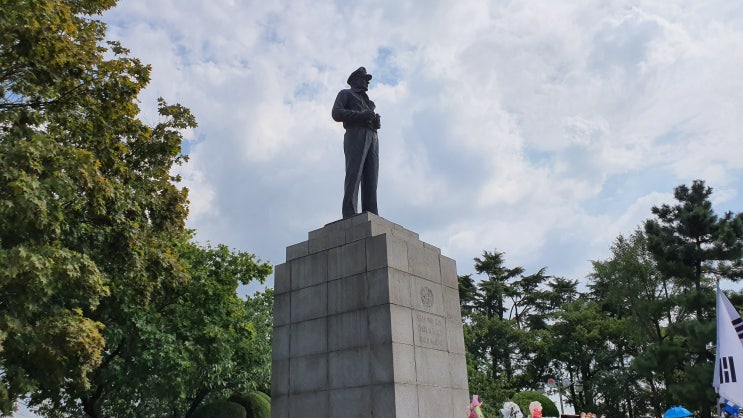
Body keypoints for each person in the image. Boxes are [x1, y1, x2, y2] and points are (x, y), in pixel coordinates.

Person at [332, 66, 381, 218]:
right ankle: (349, 211)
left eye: (368, 80)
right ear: (355, 80)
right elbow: (336, 113)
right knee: (354, 172)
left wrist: (375, 122)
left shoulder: (369, 102)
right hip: (355, 134)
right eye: (364, 79)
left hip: (372, 135)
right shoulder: (346, 94)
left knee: (371, 176)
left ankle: (371, 211)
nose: (367, 82)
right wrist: (361, 115)